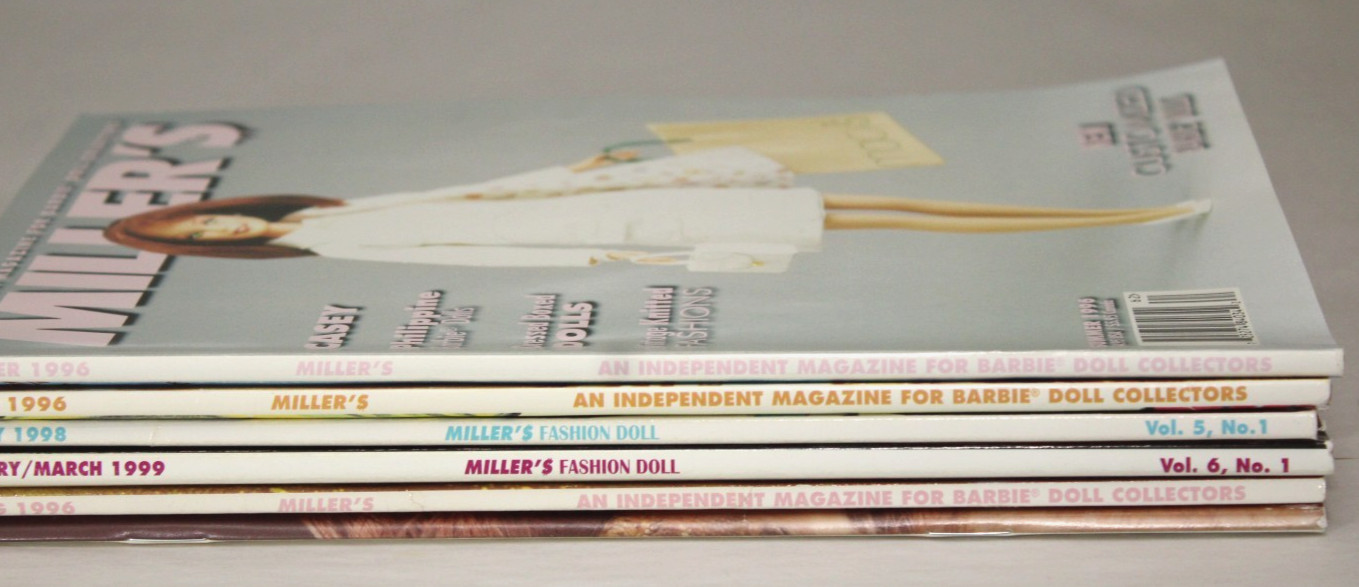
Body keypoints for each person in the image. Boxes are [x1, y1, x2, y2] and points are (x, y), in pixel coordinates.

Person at [104, 147, 1209, 272]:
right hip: (618, 234)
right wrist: (595, 257)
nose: (222, 229)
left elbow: (478, 193)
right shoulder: (340, 247)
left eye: (209, 218)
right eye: (204, 240)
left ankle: (1114, 220)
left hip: (611, 196)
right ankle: (1107, 226)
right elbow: (480, 250)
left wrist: (578, 168)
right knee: (863, 221)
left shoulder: (342, 204)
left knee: (872, 199)